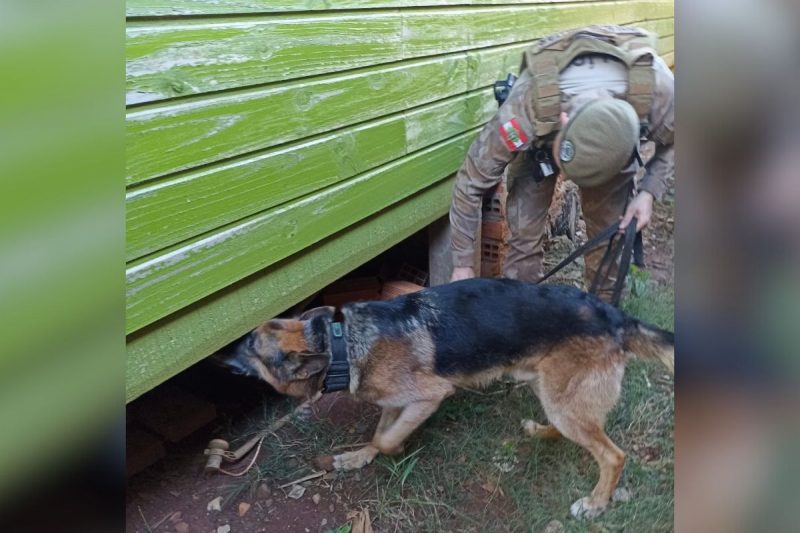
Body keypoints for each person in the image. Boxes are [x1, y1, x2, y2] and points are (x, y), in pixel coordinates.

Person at [449, 25, 674, 301]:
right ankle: (522, 317)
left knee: (607, 251)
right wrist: (462, 265)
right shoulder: (526, 110)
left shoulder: (659, 94)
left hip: (612, 153)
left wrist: (648, 192)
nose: (567, 180)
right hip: (539, 149)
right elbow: (470, 182)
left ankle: (600, 327)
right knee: (523, 242)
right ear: (564, 122)